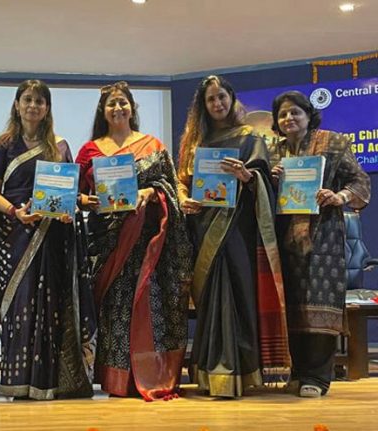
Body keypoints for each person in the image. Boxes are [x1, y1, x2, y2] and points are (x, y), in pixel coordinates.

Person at [75, 81, 192, 401]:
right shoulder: (89, 150)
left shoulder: (151, 145)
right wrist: (87, 202)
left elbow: (170, 188)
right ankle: (116, 380)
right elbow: (74, 194)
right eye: (111, 104)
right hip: (107, 238)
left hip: (147, 240)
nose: (118, 108)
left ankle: (153, 373)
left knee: (146, 304)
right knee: (114, 306)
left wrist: (150, 192)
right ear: (103, 111)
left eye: (123, 103)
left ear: (132, 108)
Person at [177, 75, 290, 398]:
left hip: (237, 227)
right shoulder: (196, 143)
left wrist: (246, 175)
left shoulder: (249, 137)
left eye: (221, 97)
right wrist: (184, 197)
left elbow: (264, 182)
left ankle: (237, 370)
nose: (217, 104)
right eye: (211, 99)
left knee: (237, 294)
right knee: (210, 299)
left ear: (231, 99)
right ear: (203, 105)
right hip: (203, 227)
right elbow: (182, 180)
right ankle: (209, 372)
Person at [0, 79, 95, 400]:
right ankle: (18, 380)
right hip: (15, 233)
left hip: (53, 235)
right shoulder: (3, 145)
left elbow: (69, 192)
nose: (33, 106)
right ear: (17, 105)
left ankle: (49, 380)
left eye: (40, 101)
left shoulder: (59, 146)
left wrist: (68, 210)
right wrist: (14, 213)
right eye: (28, 99)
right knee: (20, 304)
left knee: (51, 304)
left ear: (47, 108)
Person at [268, 91, 370, 397]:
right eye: (283, 115)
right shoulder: (275, 151)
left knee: (320, 304)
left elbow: (360, 182)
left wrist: (338, 196)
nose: (289, 119)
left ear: (308, 114)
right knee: (293, 306)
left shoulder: (334, 143)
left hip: (323, 234)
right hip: (284, 236)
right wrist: (271, 180)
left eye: (295, 113)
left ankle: (318, 377)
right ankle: (298, 372)